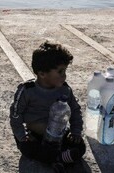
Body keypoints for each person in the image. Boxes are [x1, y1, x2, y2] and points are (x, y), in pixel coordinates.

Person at [10, 41, 86, 171]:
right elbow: (15, 114)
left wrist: (76, 131)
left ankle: (57, 158)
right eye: (60, 72)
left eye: (65, 71)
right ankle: (60, 158)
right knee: (30, 148)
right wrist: (22, 135)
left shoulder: (65, 90)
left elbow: (75, 110)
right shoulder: (27, 90)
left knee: (80, 147)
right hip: (34, 136)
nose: (64, 76)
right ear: (42, 74)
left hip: (58, 133)